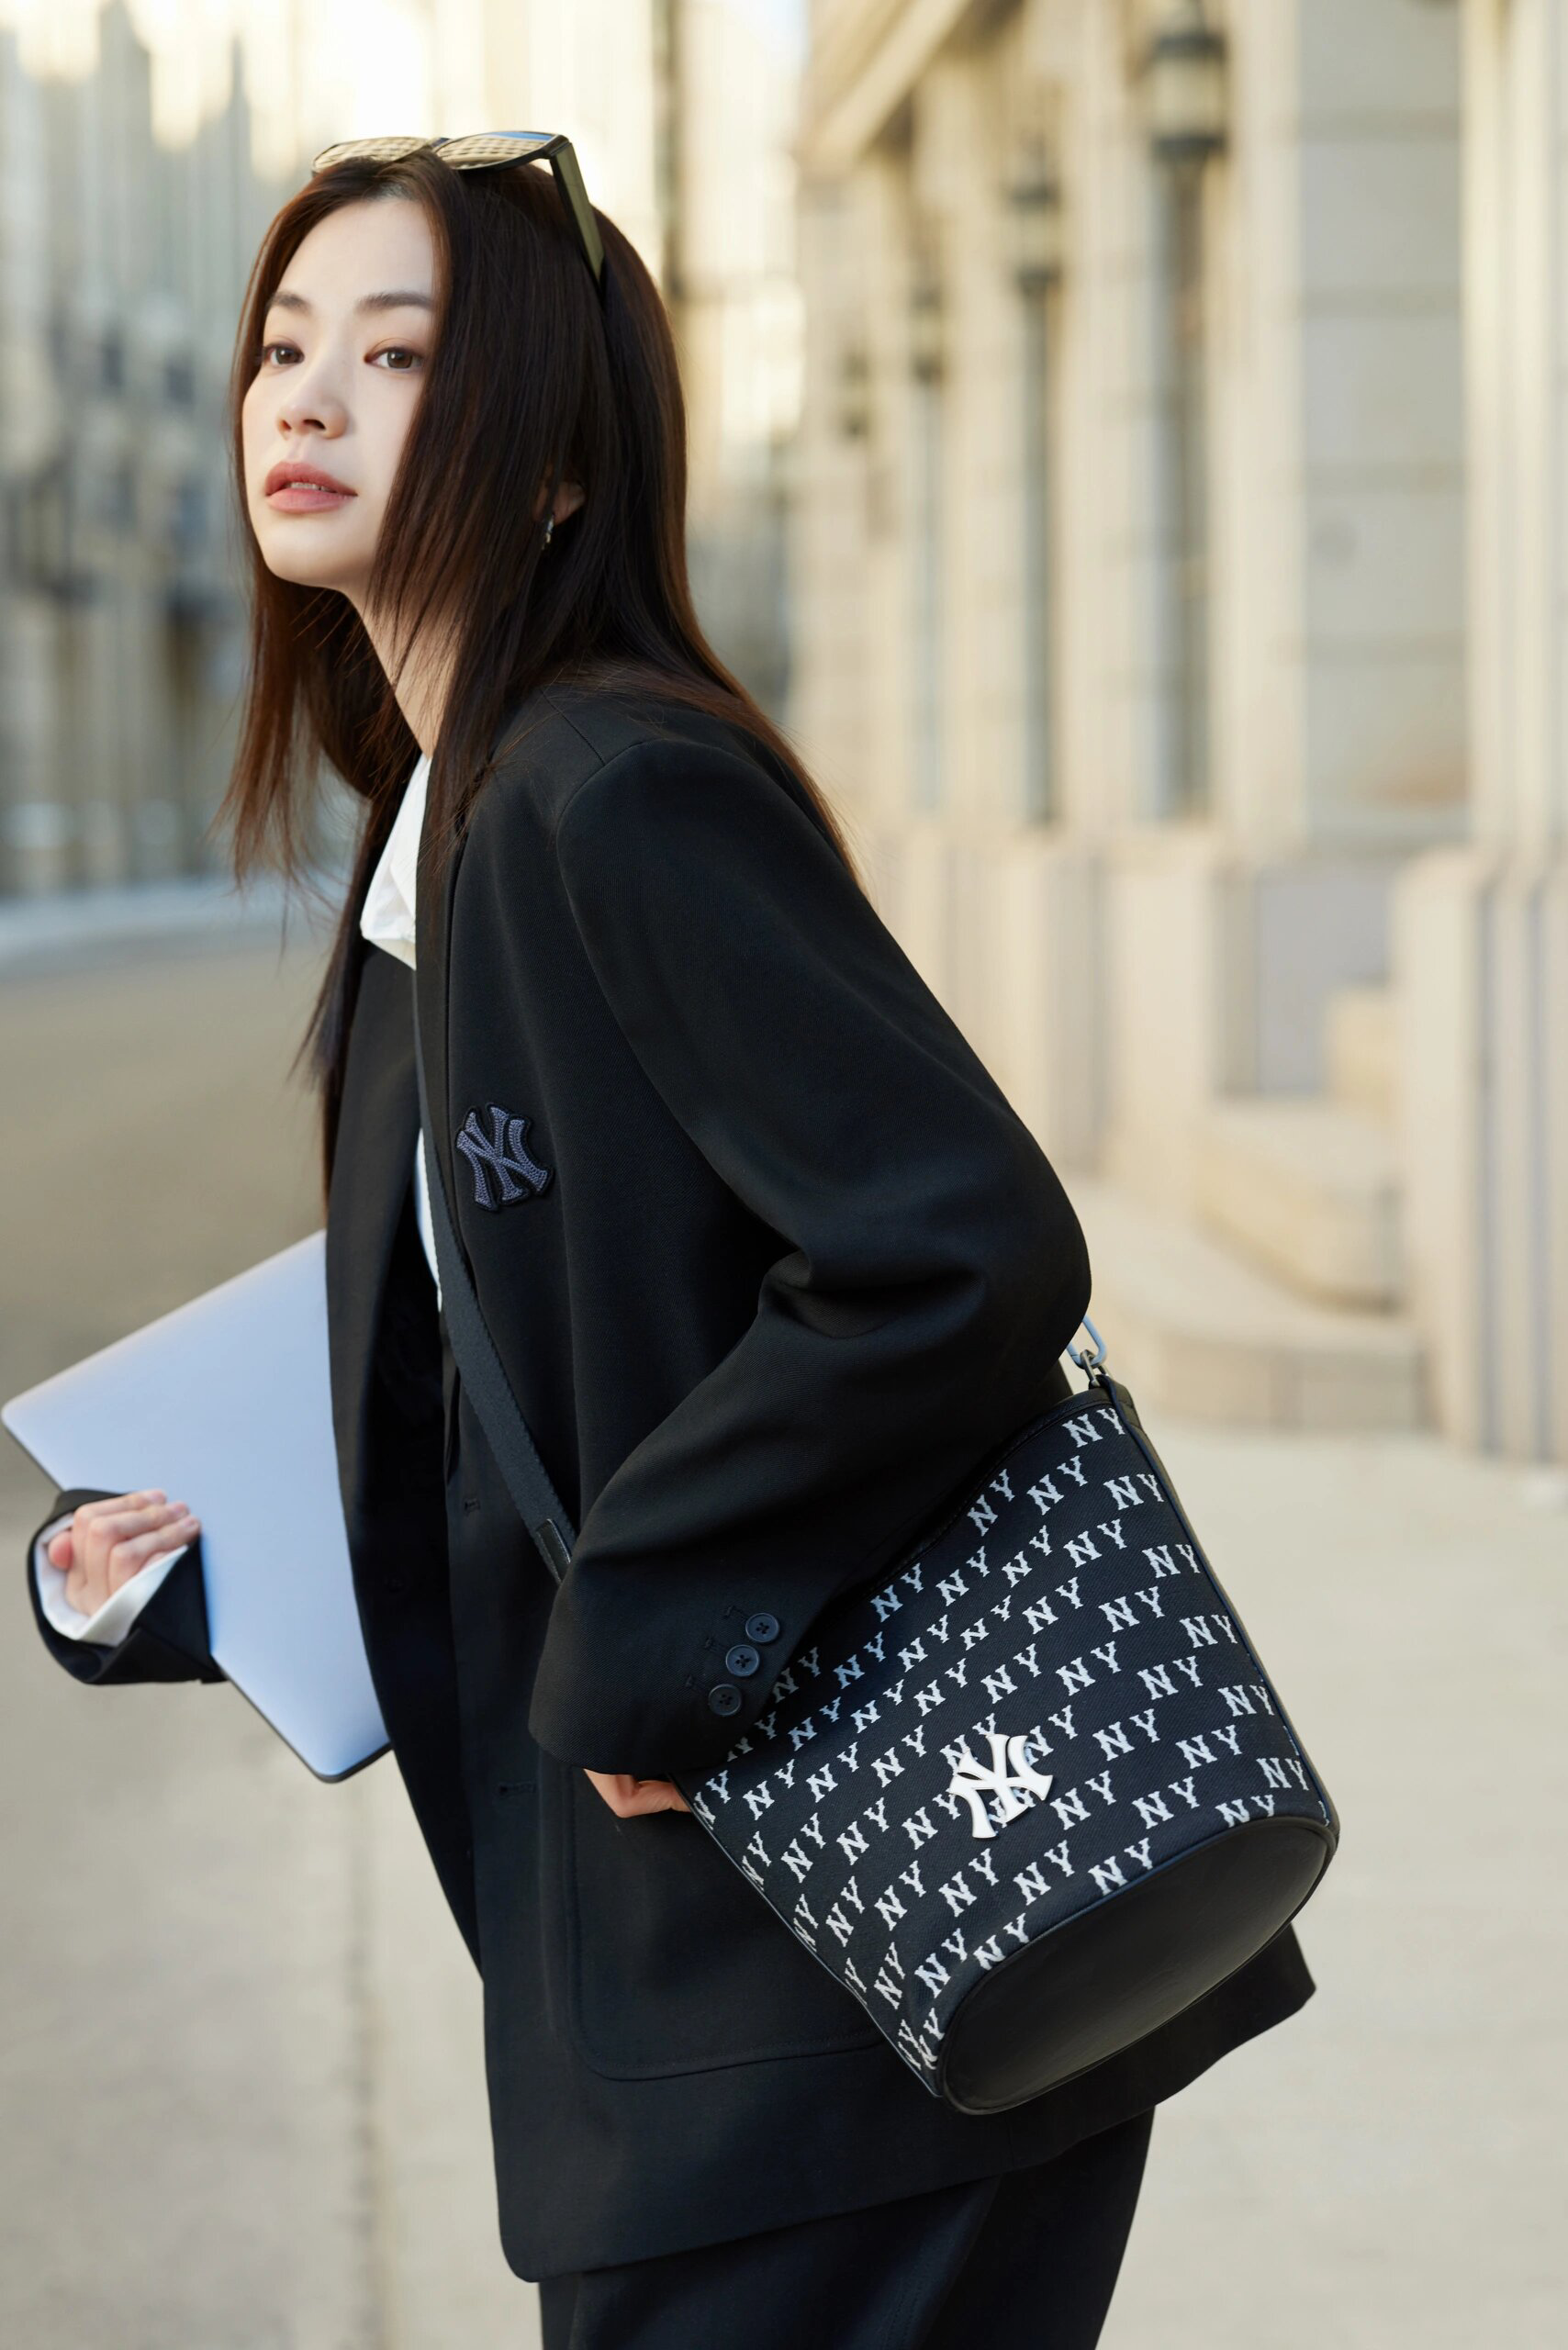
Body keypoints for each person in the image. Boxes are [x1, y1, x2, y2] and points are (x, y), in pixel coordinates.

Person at [24, 138, 1316, 2347]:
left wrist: (647, 1634)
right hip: (696, 2013)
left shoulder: (609, 790)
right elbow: (504, 1374)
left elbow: (955, 1245)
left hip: (845, 1983)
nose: (302, 396)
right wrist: (169, 1562)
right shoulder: (445, 835)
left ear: (553, 466)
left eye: (395, 354)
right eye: (283, 342)